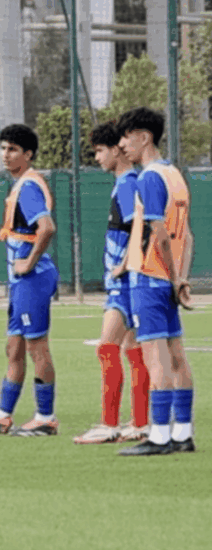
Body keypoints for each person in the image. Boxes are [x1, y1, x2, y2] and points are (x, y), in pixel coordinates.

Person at [115, 107, 195, 456]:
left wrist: (174, 278)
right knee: (177, 355)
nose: (121, 145)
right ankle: (183, 432)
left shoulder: (148, 177)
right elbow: (186, 236)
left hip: (149, 277)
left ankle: (159, 435)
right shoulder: (174, 174)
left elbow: (159, 235)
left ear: (144, 137)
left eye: (126, 136)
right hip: (167, 278)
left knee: (155, 355)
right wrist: (181, 279)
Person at [0, 124, 59, 436]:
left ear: (28, 154)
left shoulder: (29, 187)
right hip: (22, 282)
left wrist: (29, 262)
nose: (5, 155)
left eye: (13, 149)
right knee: (14, 348)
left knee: (37, 347)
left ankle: (46, 418)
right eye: (3, 148)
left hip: (32, 279)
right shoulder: (21, 184)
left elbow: (47, 227)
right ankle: (2, 415)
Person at [74, 122, 150, 444]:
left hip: (126, 283)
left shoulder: (127, 184)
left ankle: (109, 425)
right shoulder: (124, 183)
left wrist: (125, 264)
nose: (97, 158)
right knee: (133, 350)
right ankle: (141, 423)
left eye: (100, 151)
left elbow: (142, 227)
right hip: (126, 280)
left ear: (117, 150)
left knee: (107, 348)